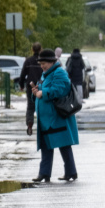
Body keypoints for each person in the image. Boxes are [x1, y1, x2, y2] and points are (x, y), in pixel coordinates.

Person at [31, 49, 79, 183]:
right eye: (40, 63)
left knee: (64, 145)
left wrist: (43, 93)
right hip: (46, 119)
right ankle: (44, 173)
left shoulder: (60, 73)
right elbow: (41, 89)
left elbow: (60, 89)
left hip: (58, 117)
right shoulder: (45, 74)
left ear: (52, 62)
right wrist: (35, 92)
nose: (42, 66)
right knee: (46, 146)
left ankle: (71, 172)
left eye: (44, 63)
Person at [19, 42, 43, 136]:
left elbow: (23, 74)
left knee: (30, 106)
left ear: (32, 50)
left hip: (31, 86)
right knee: (41, 106)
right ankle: (42, 125)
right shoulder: (42, 61)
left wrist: (21, 84)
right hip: (41, 86)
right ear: (41, 49)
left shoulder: (28, 61)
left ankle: (29, 123)